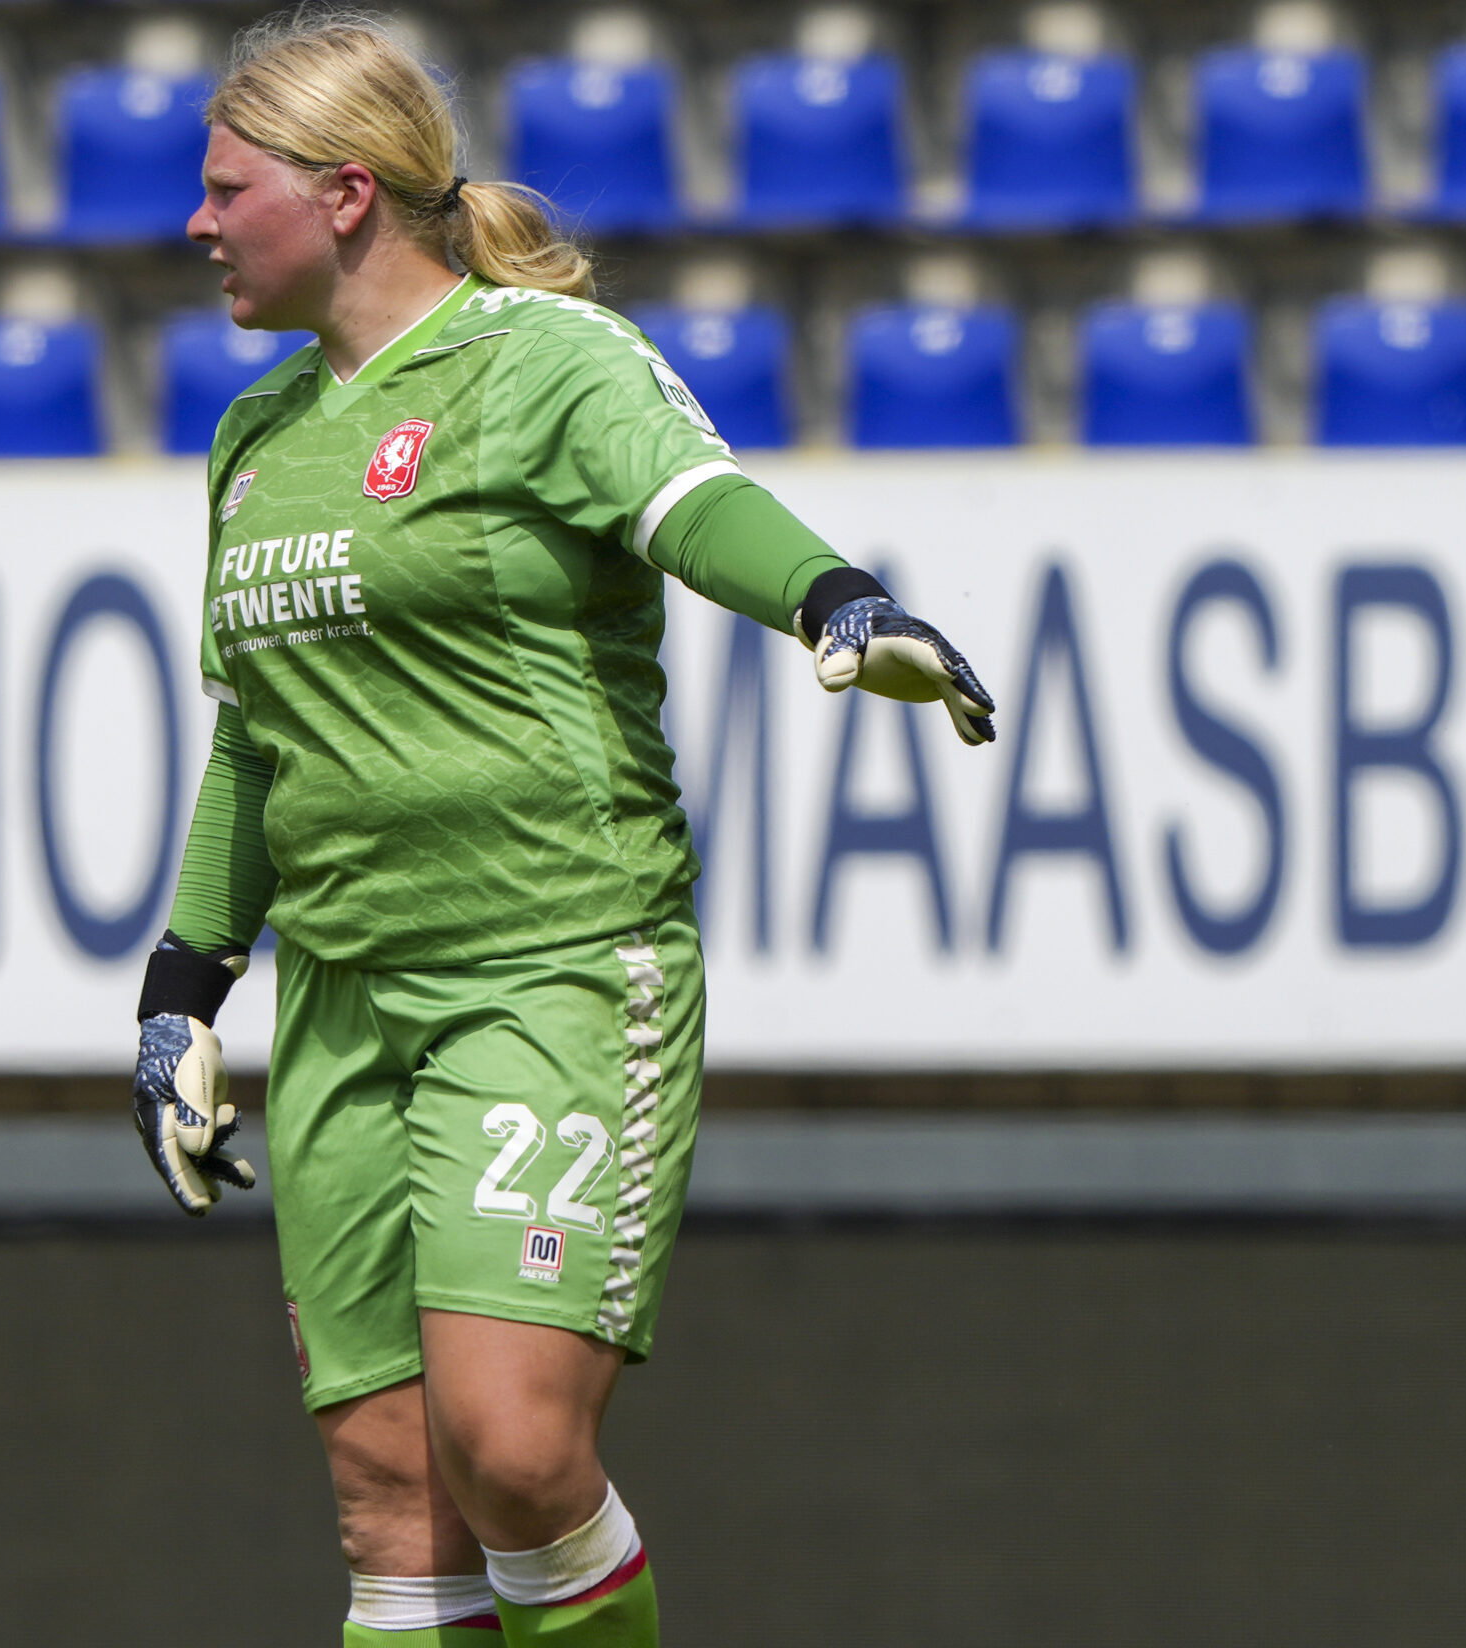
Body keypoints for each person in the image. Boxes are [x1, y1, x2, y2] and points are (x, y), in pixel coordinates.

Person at [129, 12, 996, 1645]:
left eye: (223, 186)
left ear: (340, 191)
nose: (195, 223)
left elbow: (692, 505)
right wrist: (183, 991)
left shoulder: (545, 363)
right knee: (393, 1507)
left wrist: (830, 595)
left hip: (547, 975)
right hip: (337, 1007)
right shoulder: (254, 438)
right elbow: (253, 739)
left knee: (515, 1451)